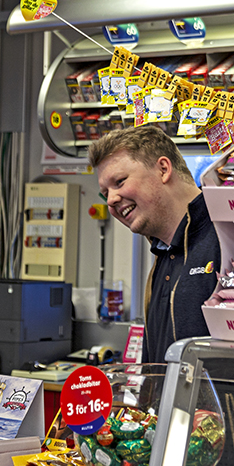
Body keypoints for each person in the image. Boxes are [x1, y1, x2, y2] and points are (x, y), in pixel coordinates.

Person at [90, 125, 220, 363]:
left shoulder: (228, 237)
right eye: (104, 193)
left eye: (119, 182)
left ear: (163, 169)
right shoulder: (163, 255)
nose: (111, 200)